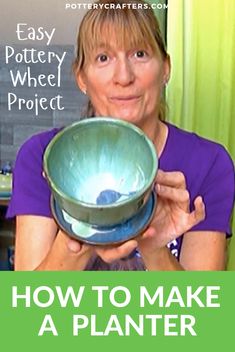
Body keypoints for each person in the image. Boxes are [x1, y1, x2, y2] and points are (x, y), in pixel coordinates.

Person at [7, 0, 235, 271]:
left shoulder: (209, 163)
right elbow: (26, 309)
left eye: (139, 54)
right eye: (103, 58)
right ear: (81, 77)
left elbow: (205, 312)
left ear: (165, 68)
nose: (124, 76)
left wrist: (153, 243)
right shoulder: (42, 157)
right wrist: (84, 228)